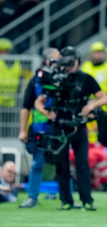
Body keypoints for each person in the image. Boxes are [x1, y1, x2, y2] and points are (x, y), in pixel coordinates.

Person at [35, 46, 107, 210]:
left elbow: (104, 98)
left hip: (78, 126)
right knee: (61, 165)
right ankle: (66, 200)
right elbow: (39, 101)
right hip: (59, 127)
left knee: (82, 164)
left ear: (78, 62)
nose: (69, 66)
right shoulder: (55, 78)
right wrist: (47, 113)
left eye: (72, 62)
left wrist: (91, 106)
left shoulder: (86, 79)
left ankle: (87, 200)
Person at [18, 47, 60, 208]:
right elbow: (25, 107)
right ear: (47, 60)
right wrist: (23, 130)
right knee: (37, 163)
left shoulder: (63, 78)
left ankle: (67, 198)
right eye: (55, 59)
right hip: (40, 127)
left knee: (63, 163)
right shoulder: (36, 80)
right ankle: (32, 197)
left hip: (59, 127)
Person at [81, 41, 107, 148]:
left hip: (103, 110)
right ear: (91, 53)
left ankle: (102, 161)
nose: (99, 55)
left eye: (101, 52)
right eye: (96, 52)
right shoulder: (86, 67)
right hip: (87, 109)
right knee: (88, 136)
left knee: (103, 137)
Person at [0, 38, 22, 138]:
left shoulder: (17, 64)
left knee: (7, 129)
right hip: (6, 101)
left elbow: (20, 82)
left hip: (11, 102)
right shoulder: (17, 63)